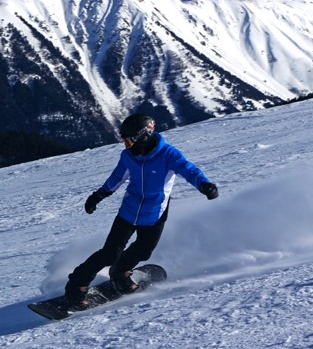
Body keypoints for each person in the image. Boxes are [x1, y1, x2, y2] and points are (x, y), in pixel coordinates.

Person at [64, 113, 219, 309]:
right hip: (128, 211)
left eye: (129, 141)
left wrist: (205, 185)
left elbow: (189, 170)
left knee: (144, 251)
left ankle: (120, 273)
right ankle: (76, 285)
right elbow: (117, 177)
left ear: (143, 136)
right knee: (110, 253)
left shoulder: (168, 155)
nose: (126, 146)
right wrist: (99, 195)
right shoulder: (129, 156)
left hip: (154, 214)